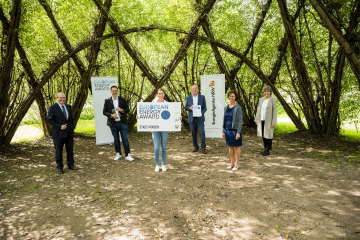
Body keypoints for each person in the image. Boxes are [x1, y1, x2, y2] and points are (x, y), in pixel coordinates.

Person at [136, 88, 181, 172]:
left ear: (164, 94)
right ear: (157, 95)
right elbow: (147, 115)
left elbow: (174, 115)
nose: (161, 95)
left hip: (165, 128)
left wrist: (179, 118)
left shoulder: (169, 104)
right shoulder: (152, 104)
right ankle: (157, 165)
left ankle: (163, 164)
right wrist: (139, 117)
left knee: (163, 146)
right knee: (156, 147)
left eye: (162, 93)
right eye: (159, 93)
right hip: (155, 128)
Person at [46, 92, 77, 174]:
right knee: (59, 151)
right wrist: (59, 126)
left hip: (69, 133)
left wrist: (72, 128)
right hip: (58, 134)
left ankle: (71, 164)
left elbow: (70, 120)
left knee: (70, 150)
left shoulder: (68, 107)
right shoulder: (52, 108)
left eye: (64, 97)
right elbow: (49, 120)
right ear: (57, 98)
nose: (62, 99)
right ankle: (60, 167)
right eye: (61, 97)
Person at [103, 86, 134, 161]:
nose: (114, 92)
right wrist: (111, 115)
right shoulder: (107, 100)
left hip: (122, 122)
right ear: (111, 92)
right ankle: (118, 154)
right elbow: (104, 112)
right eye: (113, 91)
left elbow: (127, 110)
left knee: (125, 139)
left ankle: (128, 155)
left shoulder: (122, 100)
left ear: (117, 91)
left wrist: (122, 110)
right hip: (113, 124)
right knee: (116, 140)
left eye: (115, 90)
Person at [222, 90, 243, 171]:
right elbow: (224, 120)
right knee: (230, 147)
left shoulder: (238, 107)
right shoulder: (226, 108)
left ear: (235, 97)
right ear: (228, 97)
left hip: (235, 130)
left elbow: (240, 120)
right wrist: (223, 131)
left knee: (237, 147)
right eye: (230, 96)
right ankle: (232, 162)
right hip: (227, 130)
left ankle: (237, 163)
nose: (231, 97)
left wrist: (238, 132)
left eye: (233, 96)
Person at [254, 85, 277, 156]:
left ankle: (267, 150)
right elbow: (258, 110)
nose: (266, 93)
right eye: (265, 91)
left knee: (268, 135)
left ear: (270, 92)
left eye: (268, 91)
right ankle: (265, 149)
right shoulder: (261, 99)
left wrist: (274, 122)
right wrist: (256, 119)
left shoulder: (273, 100)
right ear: (264, 92)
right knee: (263, 135)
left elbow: (274, 111)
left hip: (269, 120)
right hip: (261, 120)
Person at [185, 85, 207, 154]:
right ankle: (195, 146)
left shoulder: (202, 97)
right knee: (193, 133)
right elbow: (185, 107)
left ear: (198, 90)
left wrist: (201, 113)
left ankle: (203, 147)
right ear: (191, 90)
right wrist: (190, 108)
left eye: (195, 89)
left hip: (200, 118)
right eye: (193, 89)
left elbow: (205, 108)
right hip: (192, 118)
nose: (194, 90)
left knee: (202, 133)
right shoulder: (188, 98)